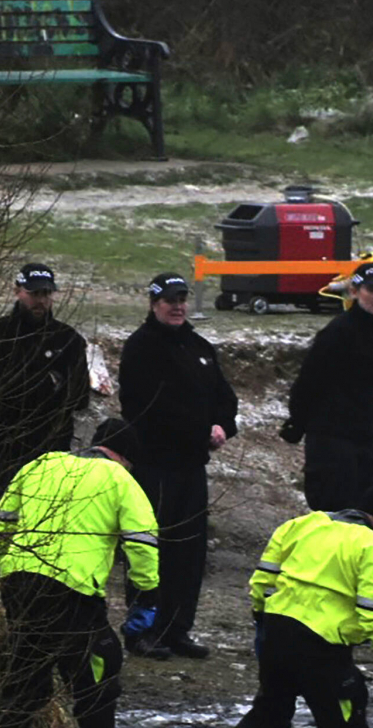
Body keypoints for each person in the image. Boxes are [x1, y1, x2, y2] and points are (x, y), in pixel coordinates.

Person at [0, 418, 160, 728]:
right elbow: (142, 542)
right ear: (125, 456)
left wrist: (8, 568)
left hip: (19, 582)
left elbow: (1, 522)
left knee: (26, 677)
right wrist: (147, 591)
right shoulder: (119, 479)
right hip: (72, 590)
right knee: (98, 675)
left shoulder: (42, 464)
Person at [117, 271, 239, 659]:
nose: (178, 306)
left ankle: (177, 628)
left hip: (191, 467)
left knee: (189, 554)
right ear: (154, 304)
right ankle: (142, 631)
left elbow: (225, 397)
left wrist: (221, 425)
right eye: (170, 300)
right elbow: (146, 409)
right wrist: (199, 431)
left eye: (183, 299)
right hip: (155, 466)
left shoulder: (199, 347)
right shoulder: (141, 348)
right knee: (152, 550)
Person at [236, 471, 373, 728]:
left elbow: (263, 578)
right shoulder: (372, 546)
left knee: (269, 712)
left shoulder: (303, 524)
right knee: (346, 709)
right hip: (322, 647)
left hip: (276, 634)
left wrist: (261, 622)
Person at [0, 262, 90, 567]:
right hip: (2, 447)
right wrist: (48, 381)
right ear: (17, 291)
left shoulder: (69, 340)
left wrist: (42, 386)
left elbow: (78, 397)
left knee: (43, 528)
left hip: (50, 451)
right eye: (34, 293)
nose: (41, 300)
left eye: (47, 294)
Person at [280, 262, 373, 512]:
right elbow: (308, 380)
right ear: (354, 292)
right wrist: (297, 422)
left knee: (366, 509)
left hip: (364, 437)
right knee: (333, 509)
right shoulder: (337, 332)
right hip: (330, 438)